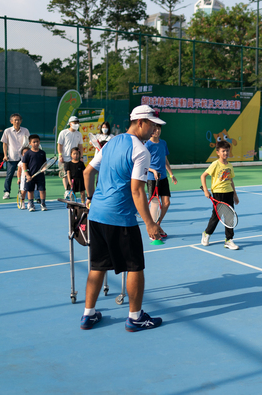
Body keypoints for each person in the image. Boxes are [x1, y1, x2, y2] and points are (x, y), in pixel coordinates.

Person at [81, 104, 165, 331]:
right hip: (120, 218)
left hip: (96, 215)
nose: (154, 130)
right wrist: (150, 223)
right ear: (140, 122)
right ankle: (135, 317)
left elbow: (87, 172)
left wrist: (90, 199)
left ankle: (88, 315)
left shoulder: (110, 143)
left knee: (97, 266)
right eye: (152, 125)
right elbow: (137, 190)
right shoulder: (141, 151)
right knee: (135, 267)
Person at [200, 140, 239, 250]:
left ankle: (229, 240)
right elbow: (203, 176)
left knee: (229, 217)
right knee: (216, 216)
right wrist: (206, 191)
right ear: (217, 152)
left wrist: (235, 195)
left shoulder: (230, 166)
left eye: (227, 151)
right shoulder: (215, 164)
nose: (225, 153)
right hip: (218, 194)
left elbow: (231, 180)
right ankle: (206, 234)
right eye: (223, 151)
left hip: (229, 193)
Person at [145, 124, 177, 237]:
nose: (157, 131)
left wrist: (171, 174)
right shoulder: (147, 145)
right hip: (151, 179)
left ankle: (157, 224)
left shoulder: (163, 143)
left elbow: (165, 160)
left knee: (166, 203)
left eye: (158, 129)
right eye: (154, 129)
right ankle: (152, 233)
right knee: (154, 205)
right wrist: (153, 171)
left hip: (163, 177)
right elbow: (143, 164)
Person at [0, 114, 30, 199]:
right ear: (11, 121)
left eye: (19, 120)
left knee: (23, 176)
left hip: (23, 158)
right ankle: (7, 192)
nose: (17, 121)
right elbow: (4, 144)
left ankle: (21, 192)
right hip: (12, 158)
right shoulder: (7, 131)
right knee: (9, 176)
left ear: (21, 121)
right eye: (15, 120)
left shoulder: (25, 131)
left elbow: (28, 144)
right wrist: (5, 155)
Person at [57, 115, 83, 198]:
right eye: (74, 123)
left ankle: (72, 190)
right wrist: (60, 155)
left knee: (73, 175)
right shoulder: (63, 133)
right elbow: (59, 145)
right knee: (64, 175)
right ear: (70, 123)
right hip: (64, 158)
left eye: (77, 123)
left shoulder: (79, 134)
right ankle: (67, 190)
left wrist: (81, 157)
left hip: (74, 159)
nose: (76, 124)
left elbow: (80, 146)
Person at [21, 134, 47, 211]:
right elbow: (24, 165)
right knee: (30, 190)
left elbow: (45, 164)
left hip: (40, 176)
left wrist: (44, 168)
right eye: (34, 142)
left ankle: (43, 204)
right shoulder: (27, 153)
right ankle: (31, 204)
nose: (36, 143)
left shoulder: (42, 153)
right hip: (30, 175)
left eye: (37, 142)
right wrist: (27, 174)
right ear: (30, 143)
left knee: (42, 190)